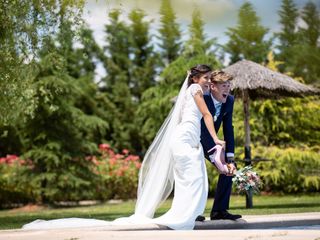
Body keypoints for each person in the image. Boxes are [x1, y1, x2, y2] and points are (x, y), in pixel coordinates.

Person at [22, 65, 225, 230]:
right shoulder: (195, 90)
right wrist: (216, 139)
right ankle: (183, 216)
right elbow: (206, 115)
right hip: (184, 140)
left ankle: (185, 215)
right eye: (206, 77)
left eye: (209, 78)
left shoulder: (190, 93)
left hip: (186, 138)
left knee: (191, 177)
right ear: (195, 79)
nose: (208, 81)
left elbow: (186, 118)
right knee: (194, 177)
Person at [196, 70, 242, 221]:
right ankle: (192, 213)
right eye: (224, 85)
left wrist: (229, 157)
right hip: (194, 140)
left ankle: (219, 211)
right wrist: (214, 152)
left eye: (229, 85)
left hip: (212, 141)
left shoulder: (229, 101)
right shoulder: (203, 98)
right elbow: (202, 128)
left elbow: (228, 128)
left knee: (228, 168)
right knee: (196, 175)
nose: (227, 89)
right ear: (213, 86)